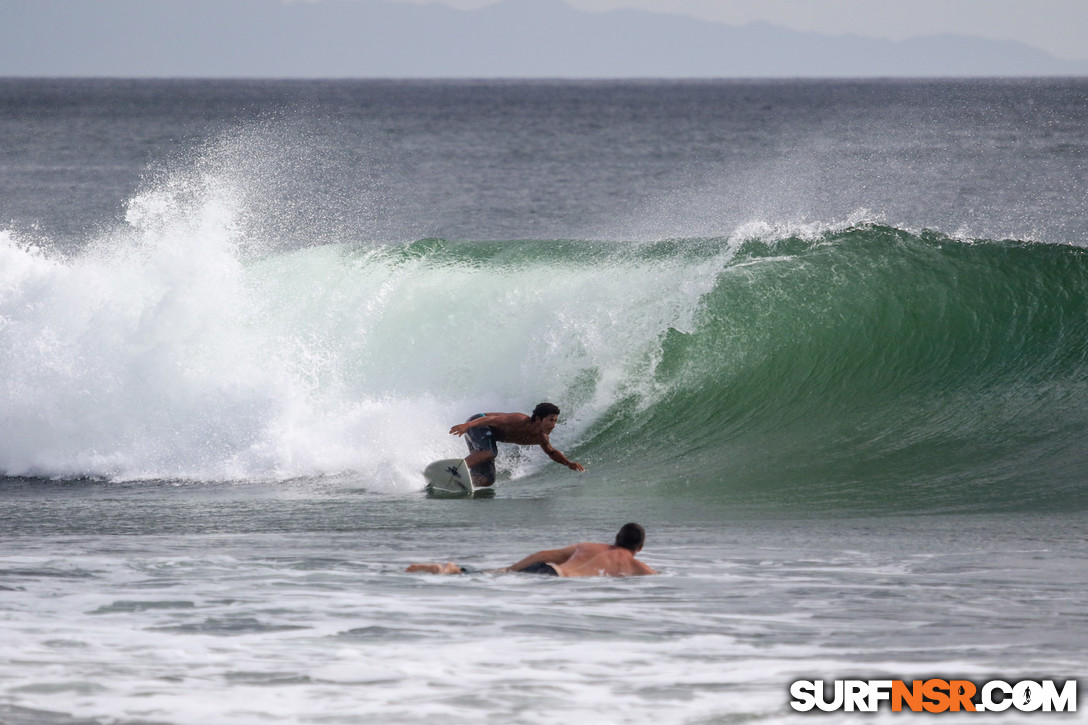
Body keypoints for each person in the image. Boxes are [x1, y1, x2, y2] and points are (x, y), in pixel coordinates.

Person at [405, 523, 657, 577]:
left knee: (484, 576)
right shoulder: (636, 566)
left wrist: (510, 569)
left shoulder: (588, 546)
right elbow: (656, 581)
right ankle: (449, 570)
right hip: (556, 582)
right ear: (641, 547)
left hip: (547, 569)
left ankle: (451, 569)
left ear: (615, 537)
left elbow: (542, 555)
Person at [449, 402, 584, 487]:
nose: (553, 425)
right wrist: (466, 425)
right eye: (551, 420)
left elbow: (551, 452)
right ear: (538, 419)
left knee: (487, 480)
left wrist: (568, 463)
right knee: (489, 452)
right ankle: (451, 470)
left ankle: (455, 482)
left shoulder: (541, 437)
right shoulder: (518, 420)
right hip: (478, 423)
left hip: (486, 437)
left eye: (555, 421)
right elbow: (490, 419)